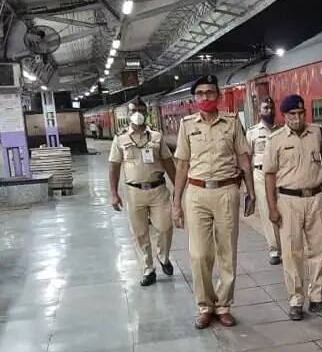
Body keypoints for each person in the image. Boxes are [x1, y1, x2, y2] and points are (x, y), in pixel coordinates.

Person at [172, 75, 256, 329]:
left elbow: (244, 159)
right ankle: (205, 305)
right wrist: (176, 202)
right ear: (194, 98)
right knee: (199, 254)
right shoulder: (187, 125)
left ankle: (223, 305)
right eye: (200, 93)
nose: (205, 97)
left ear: (218, 96)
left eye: (210, 92)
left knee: (227, 253)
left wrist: (251, 192)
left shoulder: (232, 123)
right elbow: (182, 165)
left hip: (226, 191)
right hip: (196, 193)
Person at [263, 94, 322, 321]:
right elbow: (269, 175)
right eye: (292, 114)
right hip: (288, 200)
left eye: (301, 113)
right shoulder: (275, 139)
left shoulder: (316, 132)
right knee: (292, 253)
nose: (297, 118)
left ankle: (317, 298)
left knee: (318, 250)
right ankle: (296, 300)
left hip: (315, 198)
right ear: (284, 116)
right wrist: (272, 208)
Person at [108, 96, 176, 287]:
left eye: (141, 110)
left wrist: (178, 190)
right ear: (128, 114)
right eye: (134, 110)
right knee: (140, 233)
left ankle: (163, 257)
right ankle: (148, 269)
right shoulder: (120, 138)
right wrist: (113, 193)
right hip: (133, 192)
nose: (138, 113)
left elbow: (169, 164)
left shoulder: (156, 136)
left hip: (158, 190)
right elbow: (113, 166)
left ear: (147, 113)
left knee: (165, 226)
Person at [247, 96, 282, 265]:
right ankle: (274, 250)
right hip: (260, 175)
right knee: (268, 211)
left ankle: (285, 245)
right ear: (259, 111)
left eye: (271, 107)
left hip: (280, 175)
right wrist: (249, 189)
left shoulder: (282, 131)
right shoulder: (252, 133)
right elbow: (247, 159)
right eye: (265, 108)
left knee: (283, 209)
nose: (269, 110)